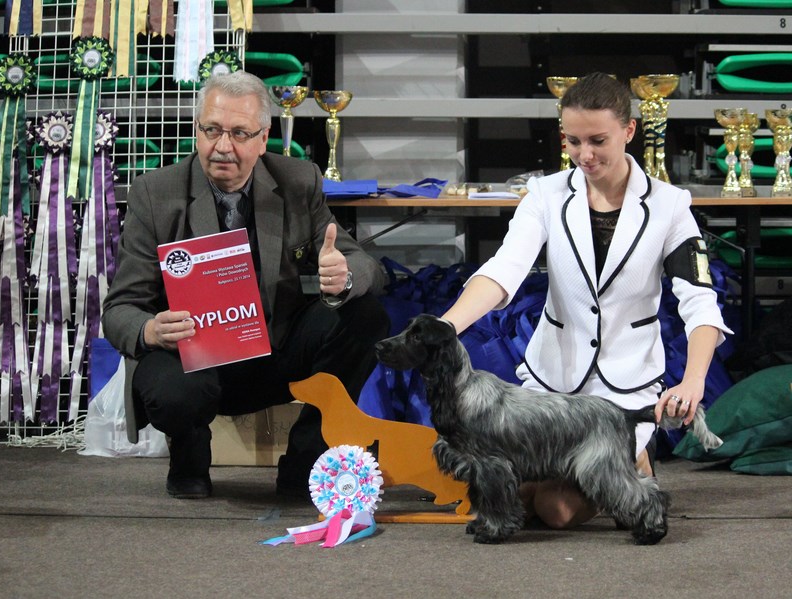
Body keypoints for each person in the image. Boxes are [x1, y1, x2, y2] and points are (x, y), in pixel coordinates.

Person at [441, 72, 732, 529]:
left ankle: (634, 462)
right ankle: (619, 474)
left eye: (598, 140)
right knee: (505, 490)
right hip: (551, 386)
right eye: (573, 141)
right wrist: (447, 326)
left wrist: (694, 380)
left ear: (629, 131)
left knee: (555, 512)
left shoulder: (671, 205)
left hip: (624, 390)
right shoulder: (544, 194)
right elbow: (504, 270)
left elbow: (699, 301)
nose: (585, 155)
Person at [101, 70, 389, 499]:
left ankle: (307, 463)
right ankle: (189, 458)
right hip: (193, 360)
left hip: (275, 351)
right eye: (212, 130)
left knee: (365, 315)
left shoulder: (299, 180)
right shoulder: (154, 193)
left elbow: (369, 268)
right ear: (197, 129)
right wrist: (150, 330)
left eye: (239, 133)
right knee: (172, 389)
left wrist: (344, 275)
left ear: (263, 138)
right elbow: (119, 309)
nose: (223, 146)